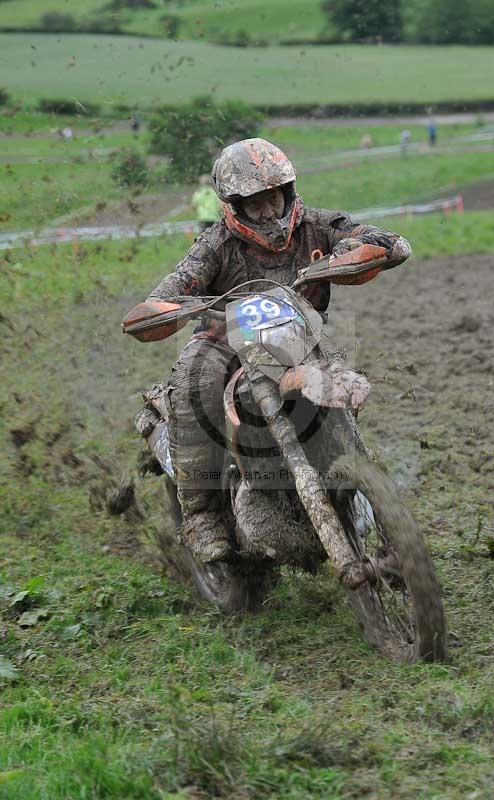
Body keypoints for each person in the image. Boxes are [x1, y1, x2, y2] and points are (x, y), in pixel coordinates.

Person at [144, 138, 411, 562]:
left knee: (336, 382)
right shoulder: (215, 245)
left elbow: (387, 241)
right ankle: (201, 514)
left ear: (287, 192)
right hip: (224, 343)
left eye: (274, 198)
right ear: (234, 206)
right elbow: (170, 290)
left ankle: (377, 505)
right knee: (196, 382)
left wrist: (355, 254)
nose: (269, 212)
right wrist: (168, 307)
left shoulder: (317, 225)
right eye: (256, 204)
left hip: (297, 341)